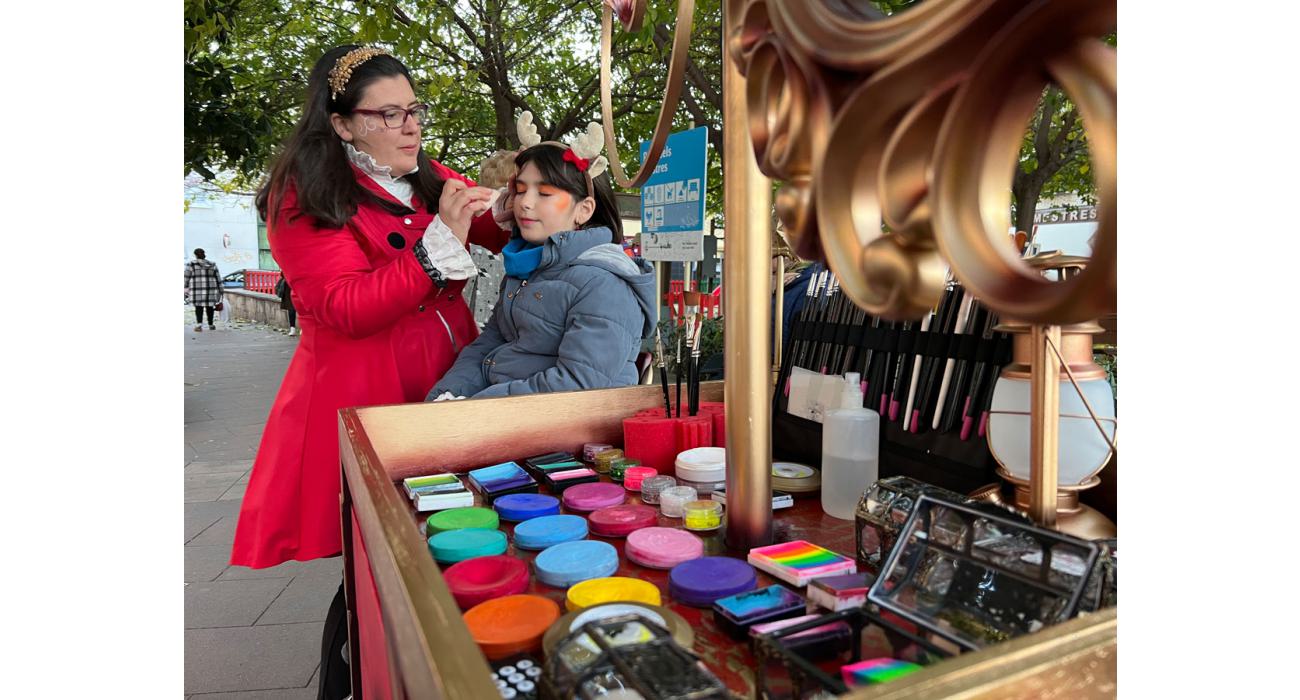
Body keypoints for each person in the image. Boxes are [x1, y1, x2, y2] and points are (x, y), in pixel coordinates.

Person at [227, 45, 510, 700]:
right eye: (388, 114)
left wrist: (536, 196)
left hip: (445, 383)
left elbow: (490, 224)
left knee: (445, 538)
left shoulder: (422, 170)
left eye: (414, 110)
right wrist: (437, 247)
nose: (410, 126)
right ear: (343, 122)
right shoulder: (301, 197)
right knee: (375, 566)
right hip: (367, 396)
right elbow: (342, 308)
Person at [428, 118, 655, 400]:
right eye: (521, 190)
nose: (525, 202)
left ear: (583, 210)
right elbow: (489, 345)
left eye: (545, 193)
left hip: (562, 433)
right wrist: (448, 394)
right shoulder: (528, 268)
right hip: (502, 417)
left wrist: (477, 409)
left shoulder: (603, 284)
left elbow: (577, 384)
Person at [184, 248, 222, 332]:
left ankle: (199, 325)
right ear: (204, 254)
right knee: (210, 307)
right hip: (211, 290)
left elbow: (186, 277)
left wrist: (185, 286)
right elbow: (218, 278)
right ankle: (211, 324)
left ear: (195, 255)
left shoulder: (191, 264)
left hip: (197, 290)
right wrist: (221, 290)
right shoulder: (212, 264)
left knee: (198, 307)